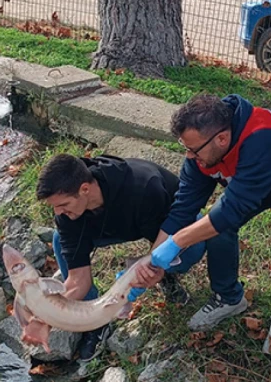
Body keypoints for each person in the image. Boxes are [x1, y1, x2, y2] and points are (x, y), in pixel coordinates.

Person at [132, 93, 271, 354]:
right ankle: (228, 298)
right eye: (186, 148)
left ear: (222, 139)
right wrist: (152, 261)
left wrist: (176, 243)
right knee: (218, 226)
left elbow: (230, 210)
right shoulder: (203, 153)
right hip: (269, 181)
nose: (189, 157)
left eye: (193, 150)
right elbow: (183, 209)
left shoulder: (264, 137)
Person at [35, 154, 205, 362]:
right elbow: (78, 280)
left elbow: (173, 233)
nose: (58, 212)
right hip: (109, 226)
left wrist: (152, 265)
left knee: (195, 247)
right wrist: (47, 317)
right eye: (54, 206)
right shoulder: (66, 215)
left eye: (63, 204)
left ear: (85, 189)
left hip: (162, 218)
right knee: (59, 239)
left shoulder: (143, 186)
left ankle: (167, 276)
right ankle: (96, 321)